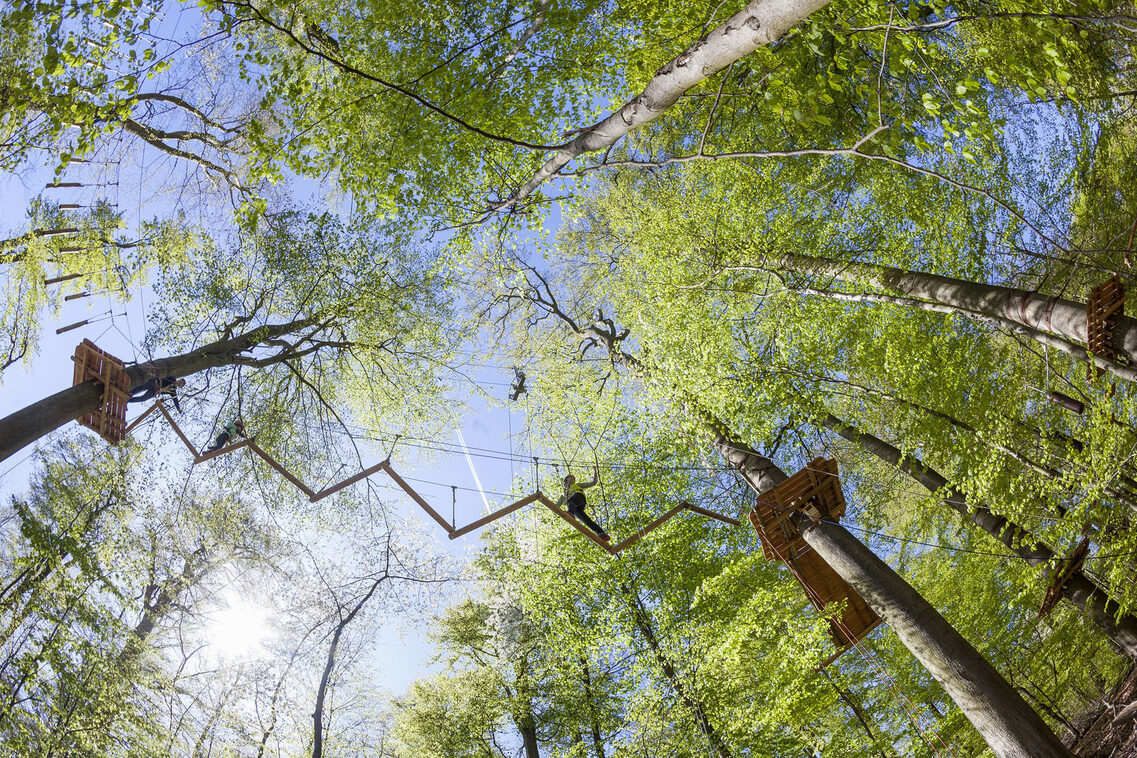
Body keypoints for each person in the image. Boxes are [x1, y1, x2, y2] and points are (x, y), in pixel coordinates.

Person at [561, 466, 609, 541]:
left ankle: (570, 513)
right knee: (585, 519)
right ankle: (601, 532)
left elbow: (593, 483)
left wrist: (595, 472)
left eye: (573, 478)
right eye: (571, 478)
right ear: (567, 481)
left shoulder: (578, 485)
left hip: (579, 498)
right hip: (576, 507)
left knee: (569, 502)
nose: (573, 479)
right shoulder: (567, 492)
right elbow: (562, 502)